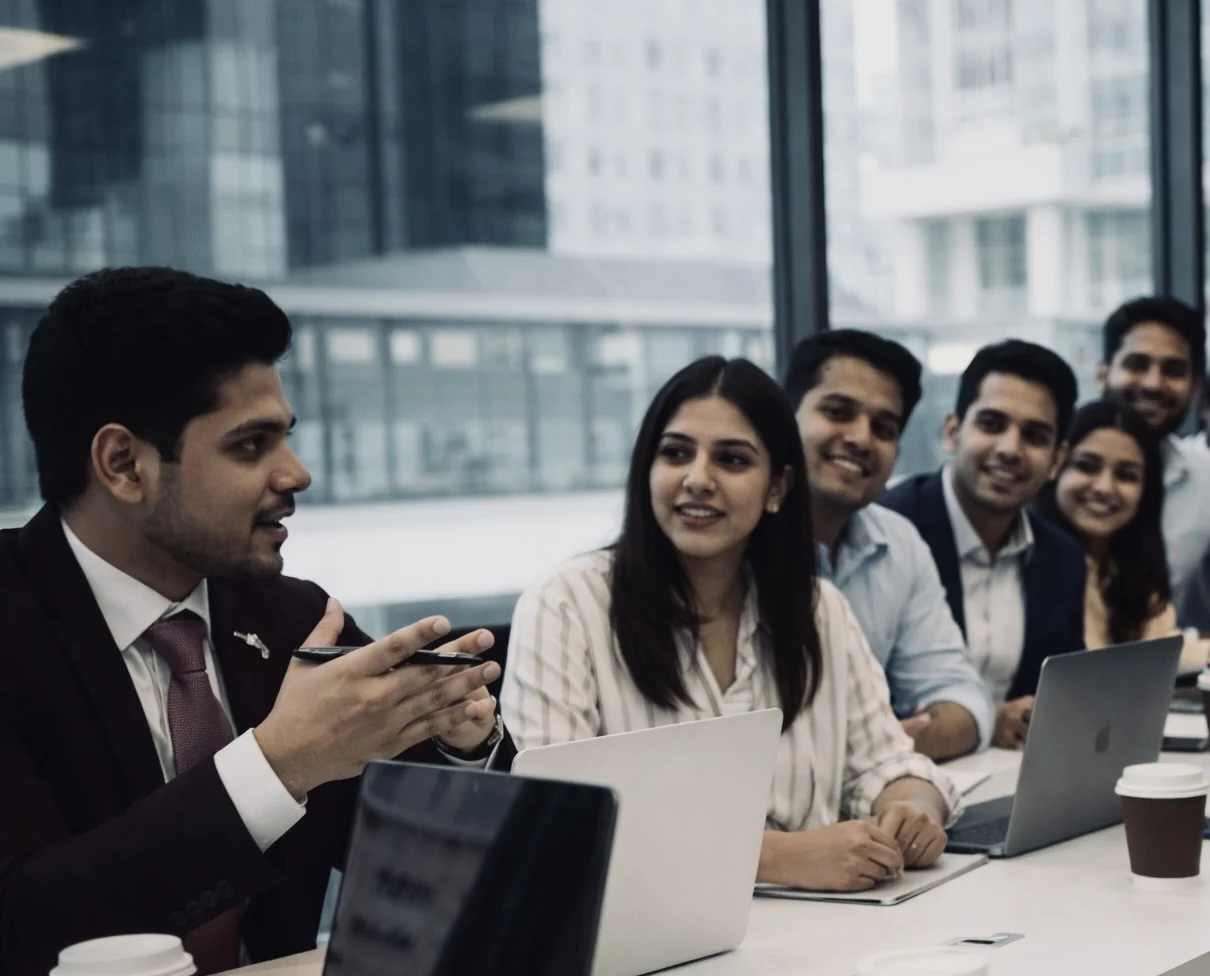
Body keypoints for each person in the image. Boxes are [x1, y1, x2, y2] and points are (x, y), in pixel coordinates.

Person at [0, 268, 512, 976]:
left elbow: (435, 869)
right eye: (250, 445)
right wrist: (277, 764)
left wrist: (462, 744)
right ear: (124, 465)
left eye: (286, 438)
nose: (297, 474)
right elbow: (23, 923)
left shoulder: (294, 617)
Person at [500, 356, 961, 894]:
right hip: (649, 935)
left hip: (828, 929)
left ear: (777, 488)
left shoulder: (821, 610)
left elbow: (885, 763)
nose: (697, 479)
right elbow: (555, 820)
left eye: (732, 460)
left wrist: (912, 808)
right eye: (676, 453)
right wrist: (781, 857)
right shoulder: (565, 605)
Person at [783, 330, 993, 761]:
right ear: (784, 419)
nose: (861, 439)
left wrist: (885, 746)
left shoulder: (899, 543)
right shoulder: (731, 542)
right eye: (838, 412)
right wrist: (875, 747)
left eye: (883, 428)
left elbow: (965, 701)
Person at [882, 340, 1084, 750]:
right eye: (992, 424)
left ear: (1057, 460)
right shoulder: (888, 535)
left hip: (1013, 775)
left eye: (1034, 436)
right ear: (952, 431)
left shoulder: (1062, 558)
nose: (1010, 449)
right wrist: (986, 720)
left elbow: (1066, 697)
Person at [1034, 400, 1210, 666]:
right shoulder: (1028, 562)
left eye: (1126, 475)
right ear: (1055, 466)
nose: (1104, 488)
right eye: (1087, 466)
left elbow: (1159, 651)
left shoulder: (1130, 567)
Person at [1097, 297, 1210, 631]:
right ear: (1103, 374)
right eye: (1137, 364)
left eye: (1173, 371)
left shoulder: (1204, 479)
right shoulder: (1052, 472)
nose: (1153, 384)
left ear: (1195, 387)